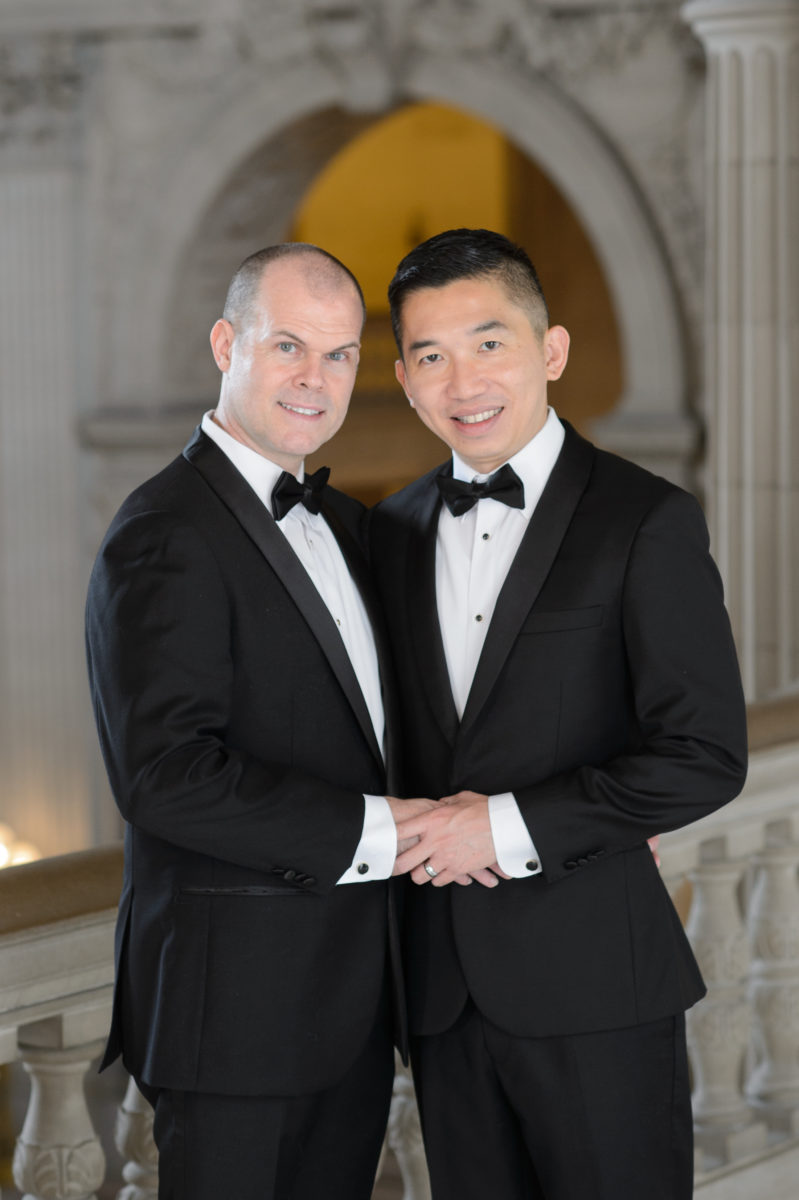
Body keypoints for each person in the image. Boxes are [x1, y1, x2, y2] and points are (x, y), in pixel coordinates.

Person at [370, 228, 748, 1199]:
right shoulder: (391, 532)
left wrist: (506, 824)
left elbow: (703, 754)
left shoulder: (645, 519)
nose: (464, 380)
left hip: (598, 988)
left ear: (551, 351)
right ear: (406, 382)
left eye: (489, 342)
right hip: (443, 994)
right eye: (430, 355)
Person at [85, 243, 431, 1200]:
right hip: (230, 1011)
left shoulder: (354, 528)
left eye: (338, 354)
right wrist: (383, 832)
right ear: (225, 343)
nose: (314, 379)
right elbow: (164, 775)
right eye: (288, 346)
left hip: (352, 1000)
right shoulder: (163, 530)